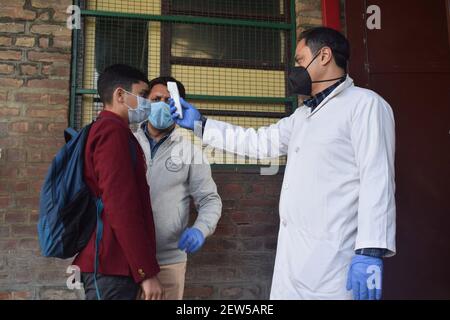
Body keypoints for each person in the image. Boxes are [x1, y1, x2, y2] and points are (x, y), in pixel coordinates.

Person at [170, 27, 396, 300]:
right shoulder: (302, 116)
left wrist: (370, 251)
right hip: (295, 262)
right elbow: (257, 142)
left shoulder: (365, 105)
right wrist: (200, 125)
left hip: (336, 261)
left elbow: (377, 179)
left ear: (324, 55)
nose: (296, 68)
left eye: (300, 60)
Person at [74, 64, 165, 300]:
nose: (148, 103)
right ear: (120, 95)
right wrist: (145, 272)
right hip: (111, 265)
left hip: (114, 265)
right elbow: (121, 206)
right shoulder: (112, 133)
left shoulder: (111, 130)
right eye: (143, 95)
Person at [134, 76, 222, 299]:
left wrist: (200, 229)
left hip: (168, 261)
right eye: (156, 99)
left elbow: (210, 200)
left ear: (179, 107)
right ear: (146, 102)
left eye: (169, 100)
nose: (162, 104)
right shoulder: (127, 142)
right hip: (126, 258)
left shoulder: (190, 152)